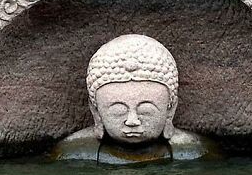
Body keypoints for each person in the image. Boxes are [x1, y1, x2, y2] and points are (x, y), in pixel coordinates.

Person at [51, 34, 221, 164]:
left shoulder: (196, 152)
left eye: (146, 111)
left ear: (170, 109)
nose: (132, 121)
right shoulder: (74, 154)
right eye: (118, 111)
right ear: (96, 112)